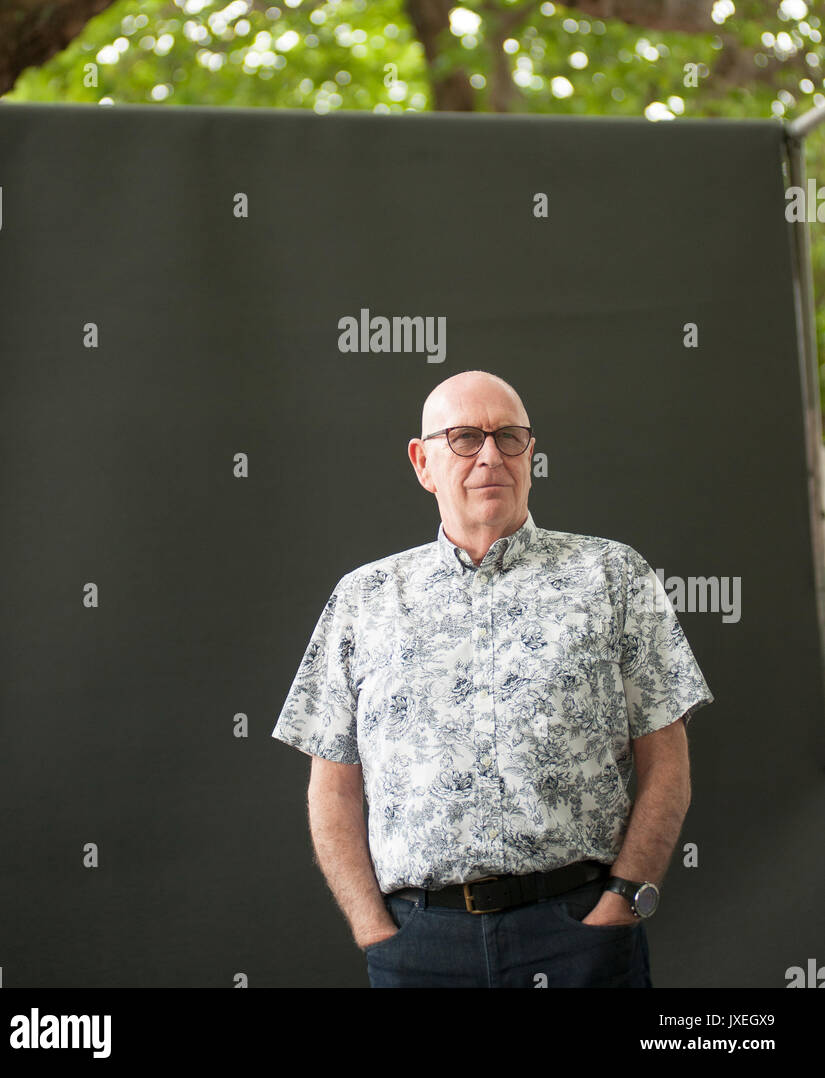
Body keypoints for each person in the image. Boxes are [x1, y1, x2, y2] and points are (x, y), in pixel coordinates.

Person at [271, 370, 714, 988]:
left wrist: (621, 902)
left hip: (580, 936)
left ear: (530, 452)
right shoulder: (362, 599)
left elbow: (667, 762)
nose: (490, 456)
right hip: (419, 948)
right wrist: (373, 928)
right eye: (463, 438)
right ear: (422, 462)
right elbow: (332, 788)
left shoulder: (613, 576)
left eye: (509, 437)